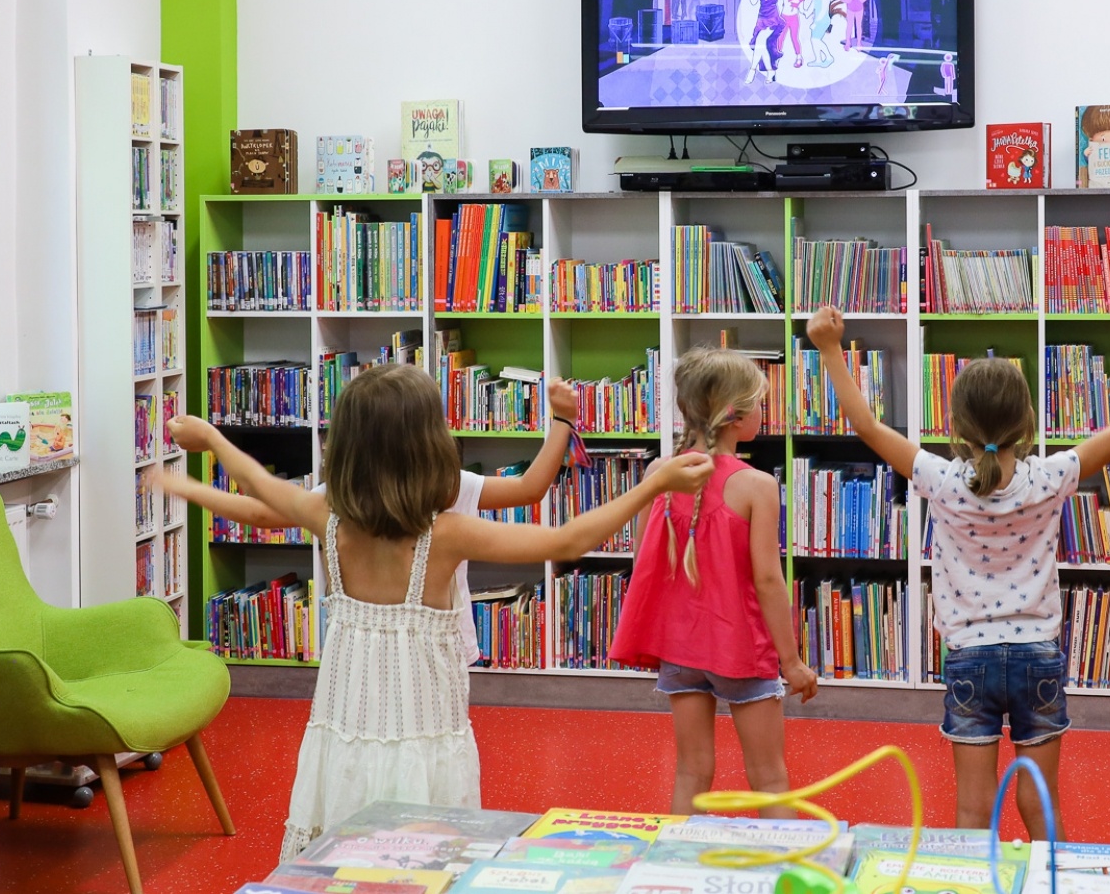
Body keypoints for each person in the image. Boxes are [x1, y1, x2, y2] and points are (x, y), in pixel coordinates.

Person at [164, 365, 713, 861]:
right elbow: (566, 539)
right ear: (428, 446)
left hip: (346, 730)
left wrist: (208, 445)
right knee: (429, 854)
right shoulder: (444, 534)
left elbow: (261, 490)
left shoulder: (323, 514)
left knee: (343, 855)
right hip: (424, 733)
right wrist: (653, 485)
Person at [804, 303, 1110, 839]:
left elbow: (865, 424)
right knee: (1040, 801)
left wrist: (829, 348)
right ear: (1027, 423)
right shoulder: (1052, 477)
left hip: (970, 658)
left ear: (955, 425)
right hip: (1037, 656)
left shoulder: (940, 479)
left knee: (972, 811)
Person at [156, 377, 583, 669]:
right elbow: (530, 488)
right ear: (429, 439)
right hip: (434, 652)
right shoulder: (453, 488)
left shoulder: (337, 497)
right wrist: (562, 420)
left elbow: (259, 508)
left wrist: (192, 480)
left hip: (357, 655)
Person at [610, 347, 818, 817]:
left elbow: (647, 558)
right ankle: (779, 879)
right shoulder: (757, 485)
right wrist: (792, 661)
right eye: (760, 404)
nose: (764, 412)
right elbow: (768, 580)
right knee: (768, 775)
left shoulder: (658, 474)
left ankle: (678, 876)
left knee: (690, 771)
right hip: (739, 647)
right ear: (736, 416)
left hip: (680, 648)